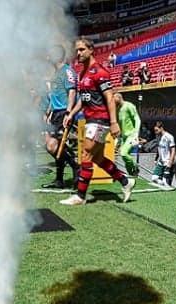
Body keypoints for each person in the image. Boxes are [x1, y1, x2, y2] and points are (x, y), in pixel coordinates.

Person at [60, 37, 135, 205]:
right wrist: (71, 114)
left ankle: (80, 196)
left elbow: (110, 98)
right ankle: (126, 182)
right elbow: (83, 99)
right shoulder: (82, 73)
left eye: (81, 50)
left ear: (91, 50)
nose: (78, 53)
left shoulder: (100, 72)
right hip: (90, 119)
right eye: (76, 50)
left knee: (86, 154)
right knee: (98, 158)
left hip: (100, 121)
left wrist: (114, 122)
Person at [41, 45, 80, 189]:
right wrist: (49, 112)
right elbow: (54, 96)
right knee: (50, 145)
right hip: (55, 113)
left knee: (53, 146)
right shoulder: (55, 73)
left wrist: (69, 113)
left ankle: (76, 167)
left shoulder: (67, 71)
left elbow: (72, 92)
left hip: (64, 112)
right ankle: (59, 179)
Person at [114, 92, 141, 176]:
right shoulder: (118, 109)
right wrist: (118, 137)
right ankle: (131, 174)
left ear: (119, 97)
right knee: (124, 156)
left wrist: (136, 133)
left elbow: (137, 119)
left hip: (131, 135)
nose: (113, 101)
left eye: (114, 98)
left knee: (123, 153)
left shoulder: (129, 106)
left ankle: (135, 168)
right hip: (123, 137)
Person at [152, 121, 176, 186]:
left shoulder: (169, 137)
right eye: (154, 130)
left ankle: (166, 189)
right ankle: (163, 185)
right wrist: (155, 159)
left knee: (166, 182)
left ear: (161, 128)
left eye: (156, 130)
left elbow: (173, 150)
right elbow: (159, 149)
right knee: (154, 178)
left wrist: (170, 162)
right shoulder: (158, 137)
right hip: (160, 162)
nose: (155, 132)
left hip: (167, 162)